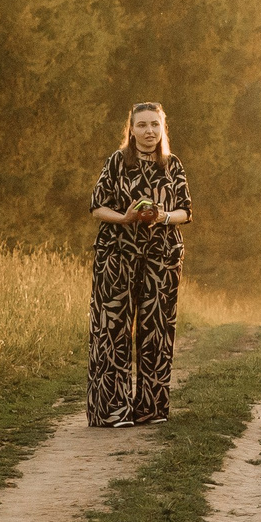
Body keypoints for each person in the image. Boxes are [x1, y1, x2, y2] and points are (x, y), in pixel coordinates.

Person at [86, 101, 193, 426]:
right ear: (131, 130)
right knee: (112, 330)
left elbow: (186, 211)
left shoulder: (172, 165)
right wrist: (125, 218)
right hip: (116, 256)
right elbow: (97, 207)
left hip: (162, 258)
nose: (149, 131)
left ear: (163, 129)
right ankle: (111, 411)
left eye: (154, 124)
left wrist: (163, 217)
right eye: (142, 125)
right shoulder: (117, 162)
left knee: (157, 330)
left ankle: (151, 408)